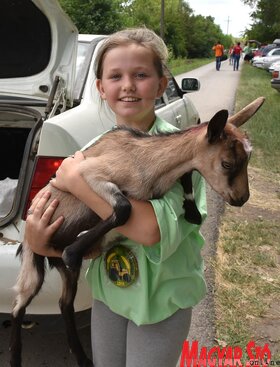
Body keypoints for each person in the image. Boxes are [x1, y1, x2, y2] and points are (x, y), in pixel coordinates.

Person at [25, 27, 207, 367]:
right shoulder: (95, 149)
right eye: (116, 76)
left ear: (162, 84)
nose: (128, 85)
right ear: (102, 88)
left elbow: (151, 232)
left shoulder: (185, 153)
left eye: (140, 75)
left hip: (163, 300)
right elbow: (80, 229)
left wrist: (79, 182)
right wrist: (39, 241)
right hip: (111, 293)